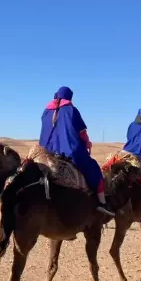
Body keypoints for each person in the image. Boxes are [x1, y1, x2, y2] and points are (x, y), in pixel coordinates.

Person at [39, 86, 115, 217]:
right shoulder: (71, 111)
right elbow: (82, 133)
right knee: (94, 169)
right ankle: (102, 203)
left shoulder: (46, 111)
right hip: (69, 152)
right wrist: (87, 143)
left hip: (45, 152)